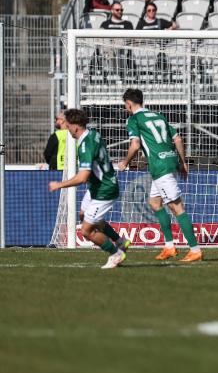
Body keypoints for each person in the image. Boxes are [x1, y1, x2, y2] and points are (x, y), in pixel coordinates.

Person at [117, 89, 202, 263]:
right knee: (155, 203)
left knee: (177, 208)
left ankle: (195, 249)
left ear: (129, 103)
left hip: (159, 166)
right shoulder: (158, 116)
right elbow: (177, 139)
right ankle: (169, 246)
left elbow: (135, 144)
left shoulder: (134, 119)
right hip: (169, 161)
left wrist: (125, 162)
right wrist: (183, 162)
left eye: (125, 105)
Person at [48, 109, 127, 269]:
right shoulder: (93, 134)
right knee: (84, 215)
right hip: (97, 185)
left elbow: (82, 177)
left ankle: (116, 253)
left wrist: (59, 185)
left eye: (68, 126)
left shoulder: (85, 145)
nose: (67, 129)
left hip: (104, 189)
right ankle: (120, 241)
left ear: (75, 127)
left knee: (86, 230)